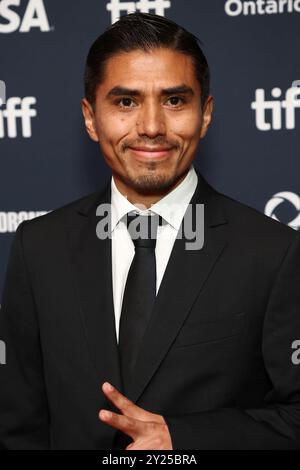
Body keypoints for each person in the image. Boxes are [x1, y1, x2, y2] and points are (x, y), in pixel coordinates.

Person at [0, 12, 300, 450]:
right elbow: (18, 427)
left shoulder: (274, 253)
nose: (152, 126)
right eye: (126, 102)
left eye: (175, 100)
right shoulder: (38, 247)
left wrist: (184, 440)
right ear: (90, 117)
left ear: (205, 114)